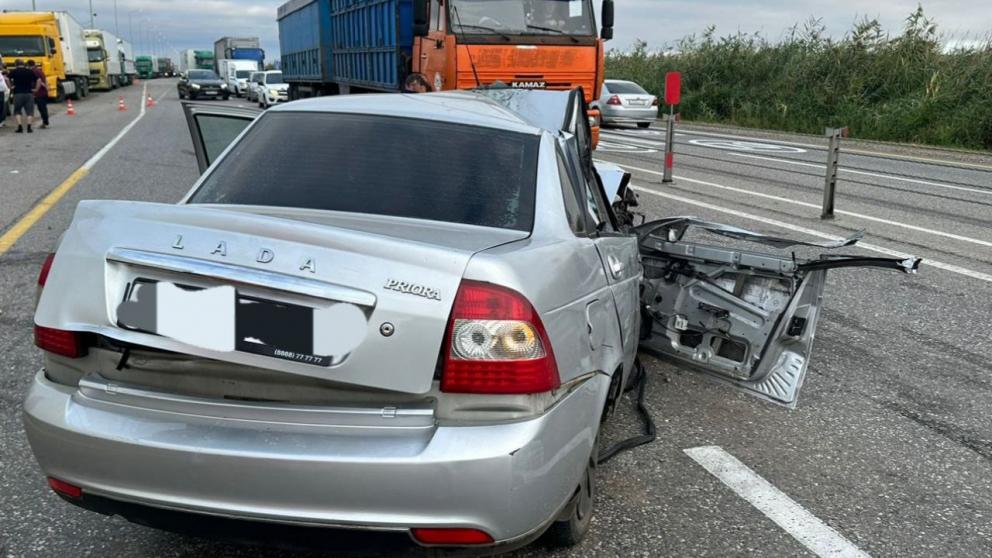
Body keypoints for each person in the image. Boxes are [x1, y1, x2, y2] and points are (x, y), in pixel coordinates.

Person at [9, 59, 37, 133]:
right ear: (24, 64)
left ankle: (20, 127)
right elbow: (38, 80)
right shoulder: (30, 71)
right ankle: (29, 127)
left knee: (17, 111)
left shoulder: (14, 71)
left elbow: (6, 78)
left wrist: (10, 86)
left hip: (17, 93)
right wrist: (36, 89)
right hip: (29, 93)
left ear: (16, 64)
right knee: (30, 111)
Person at [28, 60, 49, 129]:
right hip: (43, 92)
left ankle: (45, 123)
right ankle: (45, 122)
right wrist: (47, 87)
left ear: (29, 65)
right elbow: (45, 79)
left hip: (40, 92)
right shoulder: (39, 70)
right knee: (43, 108)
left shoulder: (34, 71)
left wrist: (36, 89)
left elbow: (39, 81)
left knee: (42, 108)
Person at [0, 61, 10, 128]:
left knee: (2, 106)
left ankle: (1, 121)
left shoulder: (1, 73)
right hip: (2, 91)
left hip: (2, 91)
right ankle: (1, 121)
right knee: (2, 106)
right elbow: (7, 80)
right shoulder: (2, 73)